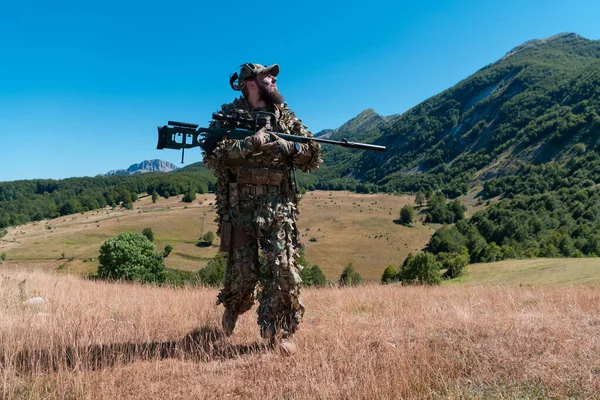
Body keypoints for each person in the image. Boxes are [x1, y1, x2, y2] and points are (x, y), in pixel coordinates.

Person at [203, 63, 322, 351]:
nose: (273, 79)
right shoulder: (229, 115)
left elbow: (313, 152)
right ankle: (233, 307)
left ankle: (280, 333)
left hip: (279, 209)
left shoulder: (285, 117)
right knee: (243, 274)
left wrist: (290, 148)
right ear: (250, 83)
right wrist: (248, 144)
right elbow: (212, 155)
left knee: (282, 270)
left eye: (274, 76)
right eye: (267, 76)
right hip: (239, 208)